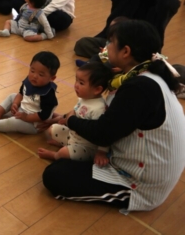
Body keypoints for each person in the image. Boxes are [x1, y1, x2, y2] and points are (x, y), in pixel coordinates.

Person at [43, 20, 185, 212]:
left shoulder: (138, 88)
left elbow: (102, 134)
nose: (106, 47)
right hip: (141, 165)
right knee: (67, 146)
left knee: (55, 175)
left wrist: (71, 120)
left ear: (125, 51)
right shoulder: (147, 74)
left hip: (140, 184)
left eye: (110, 42)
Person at [74, 0, 179, 58]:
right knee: (83, 44)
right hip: (114, 43)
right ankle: (117, 61)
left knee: (144, 59)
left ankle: (113, 60)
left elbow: (171, 4)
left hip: (139, 49)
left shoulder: (161, 4)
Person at [38, 62, 114, 164]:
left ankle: (55, 155)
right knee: (52, 129)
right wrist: (63, 119)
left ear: (97, 89)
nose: (76, 85)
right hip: (73, 136)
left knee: (64, 153)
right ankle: (66, 145)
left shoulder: (99, 109)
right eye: (76, 80)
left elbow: (104, 134)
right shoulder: (84, 98)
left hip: (86, 148)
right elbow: (75, 112)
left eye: (81, 83)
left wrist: (101, 152)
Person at [0, 51, 59, 134]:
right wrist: (15, 104)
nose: (34, 76)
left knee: (13, 122)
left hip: (33, 123)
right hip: (24, 110)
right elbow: (21, 93)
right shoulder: (30, 80)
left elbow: (43, 116)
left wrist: (26, 117)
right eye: (32, 71)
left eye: (41, 75)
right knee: (12, 96)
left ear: (52, 78)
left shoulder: (48, 94)